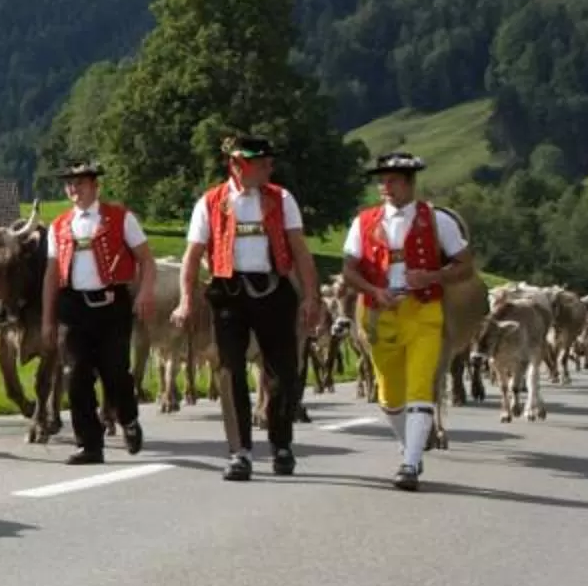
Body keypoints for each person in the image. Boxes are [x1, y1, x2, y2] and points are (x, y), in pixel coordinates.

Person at [172, 133, 322, 483]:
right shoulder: (209, 203)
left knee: (282, 371)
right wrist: (186, 300)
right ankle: (239, 452)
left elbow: (300, 250)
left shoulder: (282, 199)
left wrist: (312, 296)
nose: (271, 168)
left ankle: (281, 443)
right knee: (229, 370)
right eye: (263, 163)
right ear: (239, 165)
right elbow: (192, 256)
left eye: (271, 162)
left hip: (273, 289)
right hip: (228, 292)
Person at [337, 151, 473, 491]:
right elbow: (348, 270)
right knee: (389, 394)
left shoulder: (437, 220)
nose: (386, 187)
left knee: (419, 386)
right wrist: (373, 290)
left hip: (424, 310)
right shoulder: (363, 221)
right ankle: (408, 445)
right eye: (382, 181)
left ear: (410, 183)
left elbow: (465, 265)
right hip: (379, 312)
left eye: (393, 180)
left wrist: (431, 276)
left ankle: (410, 463)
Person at [37, 158, 151, 466]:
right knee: (76, 376)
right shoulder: (59, 226)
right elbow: (51, 274)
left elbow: (146, 260)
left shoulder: (120, 218)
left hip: (112, 305)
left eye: (81, 183)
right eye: (70, 184)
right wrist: (48, 319)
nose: (75, 189)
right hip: (73, 308)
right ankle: (89, 444)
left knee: (115, 372)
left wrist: (144, 293)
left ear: (95, 186)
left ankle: (128, 418)